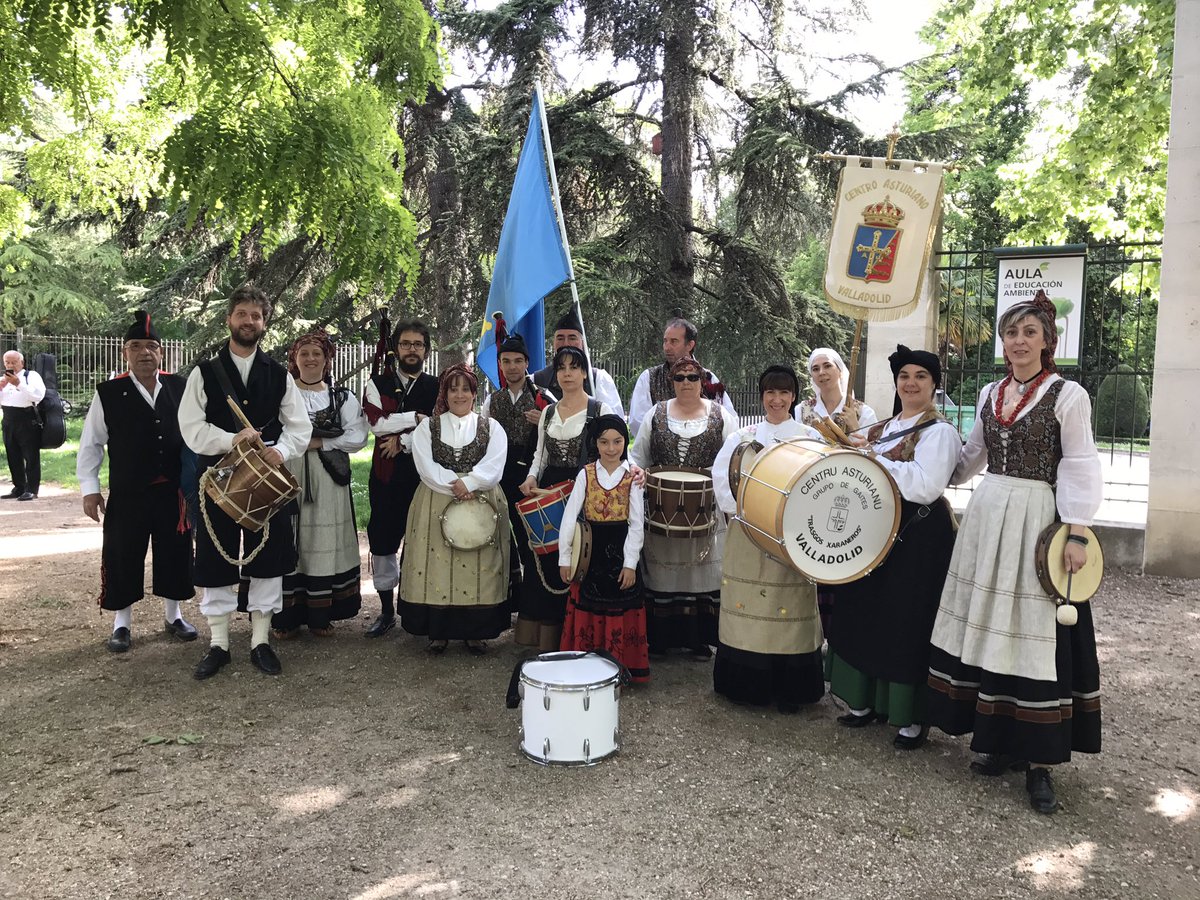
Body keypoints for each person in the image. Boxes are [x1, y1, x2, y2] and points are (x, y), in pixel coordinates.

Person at [927, 292, 1103, 815]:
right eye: (1011, 333)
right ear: (1003, 343)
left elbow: (1080, 464)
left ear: (1048, 341)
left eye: (1030, 332)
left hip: (1037, 519)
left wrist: (1076, 532)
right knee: (993, 623)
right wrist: (925, 452)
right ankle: (999, 740)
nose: (1019, 341)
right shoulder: (990, 392)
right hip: (989, 516)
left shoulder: (1068, 395)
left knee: (1034, 628)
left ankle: (1040, 761)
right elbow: (971, 457)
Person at [826, 346, 960, 748]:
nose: (911, 383)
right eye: (904, 376)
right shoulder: (883, 427)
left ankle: (909, 715)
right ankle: (863, 700)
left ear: (934, 384)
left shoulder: (940, 432)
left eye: (921, 376)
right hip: (875, 528)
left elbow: (926, 484)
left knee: (906, 620)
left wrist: (872, 459)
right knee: (864, 609)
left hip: (918, 536)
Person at [180, 285, 313, 679]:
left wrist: (280, 451)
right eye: (242, 314)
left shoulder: (279, 375)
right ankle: (219, 644)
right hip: (218, 478)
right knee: (215, 557)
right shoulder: (204, 373)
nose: (248, 321)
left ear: (264, 323)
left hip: (265, 480)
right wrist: (230, 440)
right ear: (229, 319)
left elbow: (299, 427)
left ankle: (260, 641)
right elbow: (191, 427)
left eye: (256, 316)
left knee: (268, 558)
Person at [76, 311, 196, 653]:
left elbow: (195, 434)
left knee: (175, 552)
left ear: (161, 352)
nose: (145, 352)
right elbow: (91, 443)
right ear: (124, 353)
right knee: (123, 553)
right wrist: (90, 490)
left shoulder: (180, 387)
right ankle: (122, 623)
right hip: (129, 491)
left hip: (172, 492)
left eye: (151, 347)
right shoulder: (109, 392)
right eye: (136, 346)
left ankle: (173, 616)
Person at [711, 365, 824, 711]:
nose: (777, 399)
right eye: (770, 392)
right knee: (750, 603)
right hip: (748, 531)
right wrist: (743, 511)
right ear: (762, 396)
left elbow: (822, 483)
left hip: (793, 536)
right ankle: (747, 686)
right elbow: (722, 477)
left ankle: (792, 689)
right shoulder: (741, 438)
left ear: (794, 396)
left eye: (784, 392)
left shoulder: (810, 438)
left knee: (790, 604)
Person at [630, 356, 738, 656]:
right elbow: (638, 457)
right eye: (680, 378)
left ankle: (698, 639)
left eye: (693, 377)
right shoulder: (656, 413)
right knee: (662, 573)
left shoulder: (721, 415)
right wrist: (639, 474)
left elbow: (733, 460)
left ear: (702, 381)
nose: (686, 383)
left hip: (706, 507)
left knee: (701, 573)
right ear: (672, 382)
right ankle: (660, 639)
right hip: (660, 506)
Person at [400, 364, 510, 653]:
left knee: (479, 566)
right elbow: (425, 465)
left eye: (465, 389)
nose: (459, 395)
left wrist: (471, 482)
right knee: (437, 566)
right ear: (444, 393)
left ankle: (476, 632)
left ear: (474, 393)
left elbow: (495, 464)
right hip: (436, 499)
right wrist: (456, 484)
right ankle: (439, 632)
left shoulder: (492, 427)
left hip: (481, 501)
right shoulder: (427, 427)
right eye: (453, 389)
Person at [268, 330, 368, 639]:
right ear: (294, 359)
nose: (310, 359)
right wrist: (298, 444)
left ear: (327, 360)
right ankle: (285, 617)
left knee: (322, 540)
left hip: (328, 479)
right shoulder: (280, 395)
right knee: (287, 537)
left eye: (317, 354)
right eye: (304, 353)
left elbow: (357, 437)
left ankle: (320, 616)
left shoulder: (342, 398)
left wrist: (320, 443)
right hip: (287, 473)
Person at [516, 346, 614, 652]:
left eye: (574, 367)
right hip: (549, 491)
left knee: (582, 558)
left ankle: (580, 637)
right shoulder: (548, 411)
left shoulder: (600, 410)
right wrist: (531, 478)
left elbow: (612, 454)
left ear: (584, 372)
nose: (567, 373)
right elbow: (540, 455)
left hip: (584, 492)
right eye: (561, 368)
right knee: (548, 560)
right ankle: (550, 637)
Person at [794, 347, 879, 641]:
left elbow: (872, 455)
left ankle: (841, 633)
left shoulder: (862, 411)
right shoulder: (803, 410)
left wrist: (854, 427)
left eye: (827, 366)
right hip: (813, 495)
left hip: (849, 495)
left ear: (840, 370)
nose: (822, 373)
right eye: (815, 368)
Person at [361, 320, 439, 638]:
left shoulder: (437, 386)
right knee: (382, 541)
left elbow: (438, 426)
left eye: (418, 344)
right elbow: (376, 424)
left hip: (424, 475)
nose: (411, 350)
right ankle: (386, 611)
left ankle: (417, 608)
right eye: (405, 344)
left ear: (426, 350)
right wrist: (415, 418)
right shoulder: (377, 383)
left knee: (422, 541)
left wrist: (404, 440)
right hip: (386, 476)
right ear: (396, 348)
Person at [557, 414, 649, 682]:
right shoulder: (585, 474)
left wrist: (630, 564)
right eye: (604, 442)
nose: (611, 448)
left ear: (625, 442)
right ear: (595, 443)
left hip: (621, 552)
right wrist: (565, 557)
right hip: (590, 554)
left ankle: (619, 668)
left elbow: (636, 524)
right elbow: (569, 517)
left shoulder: (632, 477)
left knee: (620, 604)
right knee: (589, 605)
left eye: (617, 441)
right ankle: (587, 667)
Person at [480, 332, 556, 611]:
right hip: (500, 476)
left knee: (529, 538)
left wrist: (544, 421)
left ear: (527, 363)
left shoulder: (544, 397)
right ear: (500, 364)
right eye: (506, 361)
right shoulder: (492, 400)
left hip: (530, 477)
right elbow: (483, 439)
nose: (512, 367)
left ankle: (535, 600)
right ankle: (509, 597)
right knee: (502, 535)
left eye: (517, 361)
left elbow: (560, 438)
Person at [627, 318, 736, 442]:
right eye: (665, 341)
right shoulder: (649, 377)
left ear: (690, 345)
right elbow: (638, 423)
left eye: (674, 341)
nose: (667, 347)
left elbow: (729, 419)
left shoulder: (708, 378)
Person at [531, 310, 625, 417]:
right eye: (560, 338)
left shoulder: (598, 379)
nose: (566, 343)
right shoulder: (537, 379)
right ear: (554, 342)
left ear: (582, 343)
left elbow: (614, 421)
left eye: (572, 338)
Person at [2, 349, 46, 502]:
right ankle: (19, 487)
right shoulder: (3, 379)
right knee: (12, 455)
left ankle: (32, 489)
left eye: (14, 362)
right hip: (8, 419)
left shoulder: (31, 376)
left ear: (21, 362)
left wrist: (19, 384)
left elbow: (37, 396)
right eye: (7, 362)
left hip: (27, 419)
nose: (10, 365)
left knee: (30, 455)